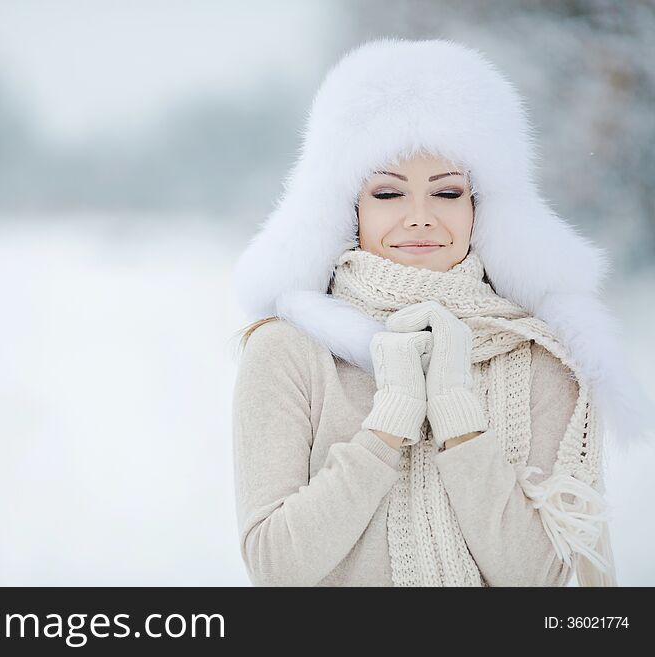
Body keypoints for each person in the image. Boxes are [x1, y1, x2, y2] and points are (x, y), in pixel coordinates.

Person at [230, 38, 654, 587]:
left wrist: (455, 413)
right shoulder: (286, 352)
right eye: (387, 194)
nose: (421, 218)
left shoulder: (544, 359)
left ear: (483, 207)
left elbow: (538, 578)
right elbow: (276, 567)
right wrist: (389, 424)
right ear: (346, 209)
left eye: (448, 192)